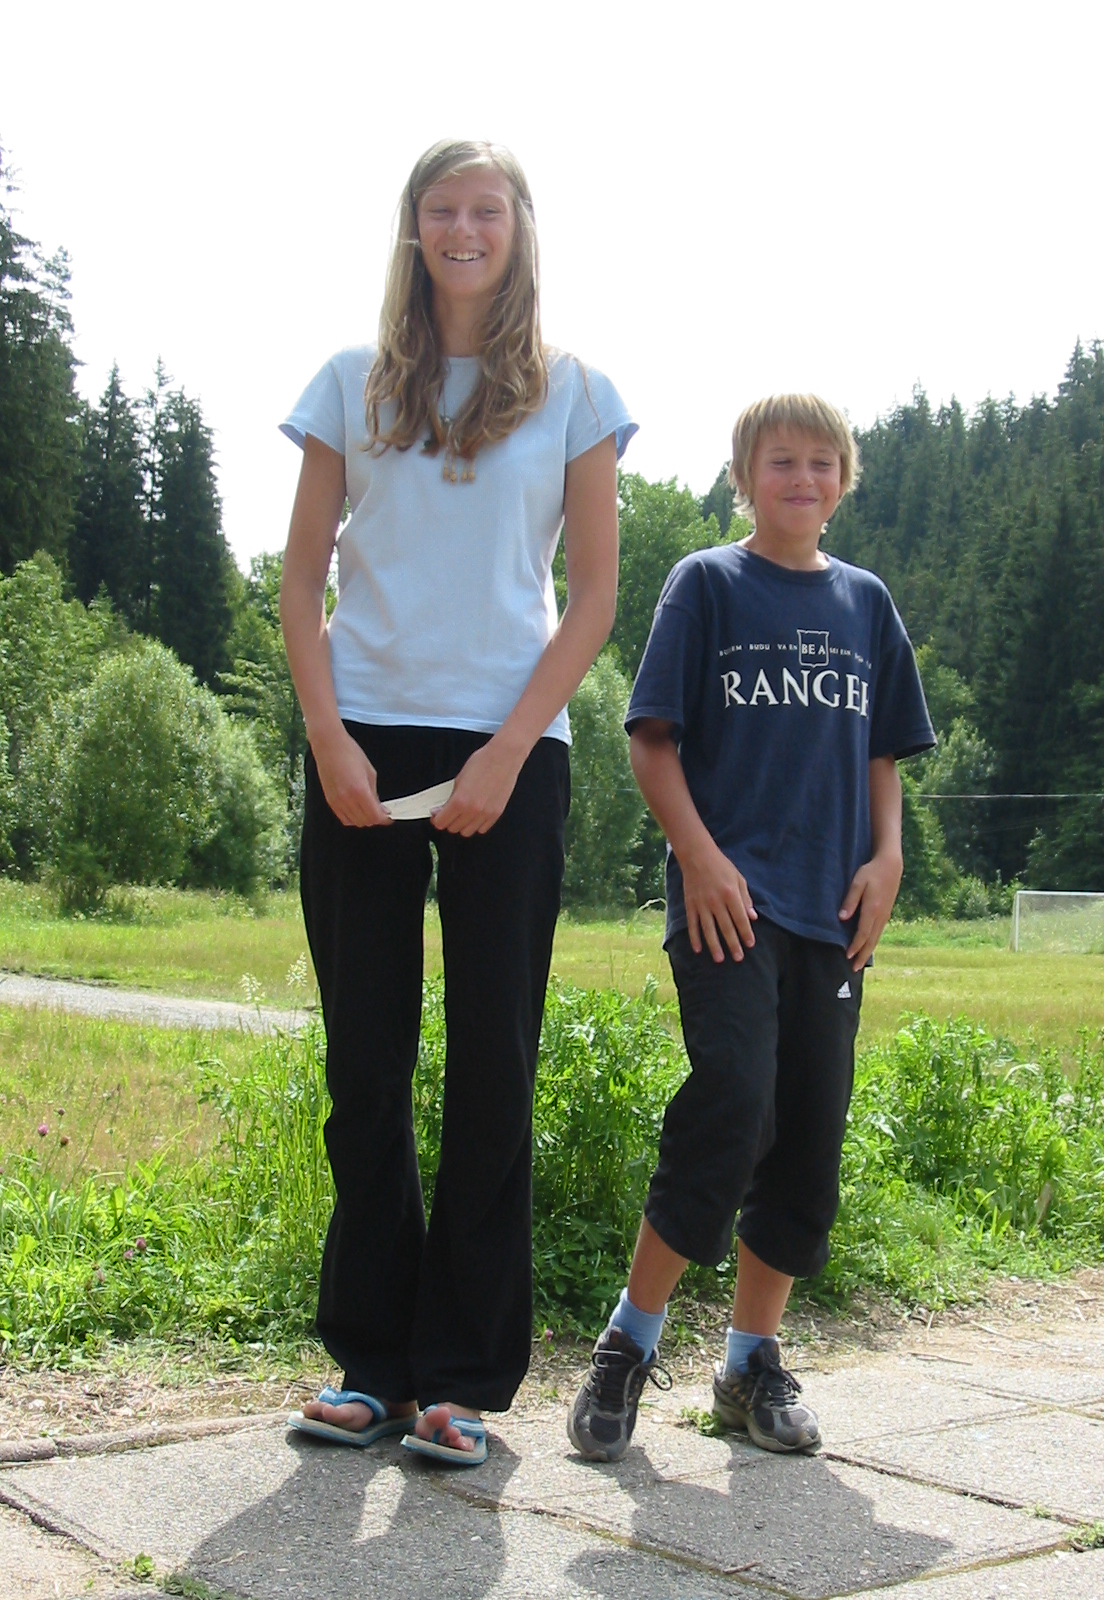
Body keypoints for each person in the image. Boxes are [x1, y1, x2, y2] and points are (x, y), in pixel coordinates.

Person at [279, 139, 635, 1465]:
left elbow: (594, 595)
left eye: (486, 208)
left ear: (518, 227)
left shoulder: (578, 393)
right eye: (442, 208)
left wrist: (506, 752)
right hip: (361, 746)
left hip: (510, 750)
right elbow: (300, 580)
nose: (463, 228)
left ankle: (462, 1384)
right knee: (366, 1065)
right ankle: (372, 1365)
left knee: (494, 1065)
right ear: (414, 227)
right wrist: (329, 740)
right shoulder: (351, 383)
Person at [568, 394, 934, 1462]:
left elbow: (883, 755)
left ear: (844, 480)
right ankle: (627, 1345)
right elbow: (651, 740)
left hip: (834, 910)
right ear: (745, 477)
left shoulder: (867, 603)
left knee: (810, 1132)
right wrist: (700, 859)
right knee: (734, 1101)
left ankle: (749, 1366)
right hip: (727, 902)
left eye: (823, 462)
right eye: (782, 461)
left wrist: (889, 859)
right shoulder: (707, 584)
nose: (803, 479)